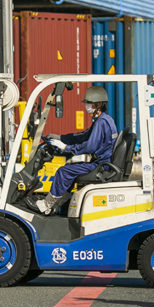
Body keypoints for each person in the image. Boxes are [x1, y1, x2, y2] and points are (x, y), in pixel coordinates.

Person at [32, 86, 117, 215]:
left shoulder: (101, 122)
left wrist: (66, 147)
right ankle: (59, 205)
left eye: (89, 103)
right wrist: (61, 138)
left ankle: (46, 205)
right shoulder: (104, 119)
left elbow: (90, 146)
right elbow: (83, 136)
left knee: (63, 171)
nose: (86, 106)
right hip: (102, 163)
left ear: (98, 104)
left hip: (100, 165)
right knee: (70, 170)